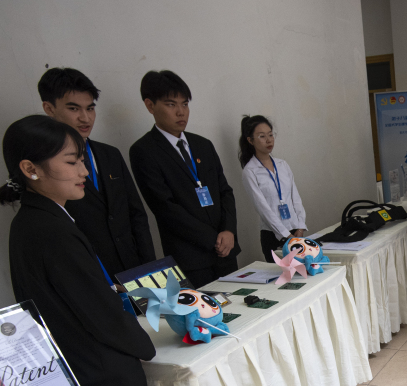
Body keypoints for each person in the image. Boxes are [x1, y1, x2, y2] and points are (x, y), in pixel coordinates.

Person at [0, 115, 215, 386]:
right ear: (30, 169)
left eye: (81, 160)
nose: (83, 171)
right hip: (102, 365)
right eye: (71, 161)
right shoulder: (49, 228)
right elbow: (94, 311)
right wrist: (143, 345)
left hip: (87, 359)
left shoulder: (38, 220)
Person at [38, 67, 155, 278]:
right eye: (74, 109)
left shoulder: (110, 154)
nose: (85, 118)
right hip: (90, 273)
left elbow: (136, 214)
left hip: (133, 267)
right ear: (49, 108)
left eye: (90, 108)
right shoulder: (46, 166)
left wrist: (149, 266)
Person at [129, 70, 240, 287]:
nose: (181, 112)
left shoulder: (203, 145)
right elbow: (165, 207)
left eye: (185, 104)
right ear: (150, 106)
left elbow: (225, 191)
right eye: (171, 104)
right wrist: (213, 239)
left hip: (226, 250)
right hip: (191, 257)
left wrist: (228, 230)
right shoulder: (144, 151)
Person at [238, 115, 307, 262]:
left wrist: (300, 227)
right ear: (250, 140)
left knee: (302, 273)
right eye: (262, 136)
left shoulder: (282, 165)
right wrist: (286, 235)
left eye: (270, 135)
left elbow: (296, 198)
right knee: (282, 276)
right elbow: (263, 208)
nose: (269, 140)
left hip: (296, 231)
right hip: (273, 235)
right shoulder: (250, 171)